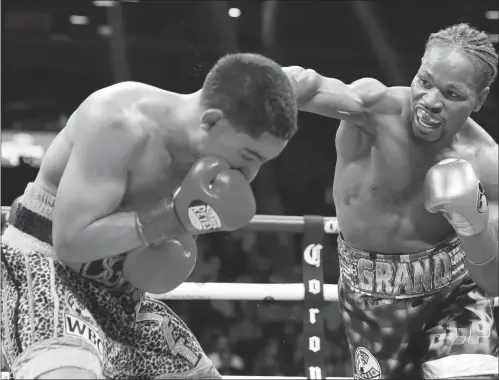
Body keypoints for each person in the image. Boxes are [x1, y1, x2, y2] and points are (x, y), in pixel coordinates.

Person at [1, 52, 297, 379]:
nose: (250, 174)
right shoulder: (119, 123)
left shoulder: (237, 119)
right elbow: (70, 242)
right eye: (248, 156)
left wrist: (357, 102)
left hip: (120, 294)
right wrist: (172, 219)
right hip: (46, 267)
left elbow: (306, 82)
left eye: (262, 162)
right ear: (212, 121)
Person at [285, 23, 498, 379]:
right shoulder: (373, 111)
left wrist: (471, 224)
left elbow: (492, 281)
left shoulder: (487, 164)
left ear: (480, 99)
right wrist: (255, 84)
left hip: (457, 294)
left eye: (453, 94)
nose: (431, 102)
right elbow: (312, 86)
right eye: (425, 81)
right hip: (371, 303)